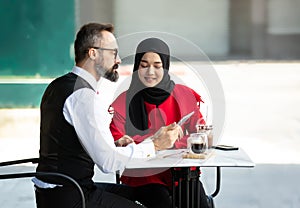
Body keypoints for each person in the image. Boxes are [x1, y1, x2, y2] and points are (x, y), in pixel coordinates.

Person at [33, 23, 182, 208]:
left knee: (146, 193)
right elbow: (109, 162)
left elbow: (68, 141)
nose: (118, 59)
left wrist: (114, 144)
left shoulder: (58, 85)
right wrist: (155, 144)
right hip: (71, 196)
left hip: (56, 191)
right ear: (93, 53)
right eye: (113, 52)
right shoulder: (83, 95)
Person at [109, 38, 210, 208]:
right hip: (142, 176)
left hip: (181, 173)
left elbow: (201, 134)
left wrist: (167, 142)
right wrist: (129, 142)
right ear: (136, 67)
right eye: (144, 65)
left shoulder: (184, 95)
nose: (150, 72)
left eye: (157, 66)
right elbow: (116, 139)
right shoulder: (124, 100)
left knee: (198, 203)